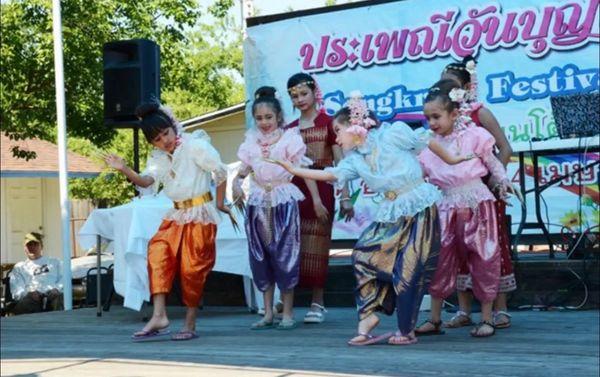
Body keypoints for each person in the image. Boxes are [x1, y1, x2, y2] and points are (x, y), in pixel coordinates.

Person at [266, 91, 469, 345]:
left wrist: (452, 159)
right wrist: (292, 168)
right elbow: (330, 175)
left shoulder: (391, 134)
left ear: (354, 127)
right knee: (363, 254)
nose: (337, 138)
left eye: (338, 131)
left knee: (408, 270)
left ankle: (406, 331)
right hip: (392, 211)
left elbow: (426, 139)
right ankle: (369, 315)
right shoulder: (356, 161)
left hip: (418, 207)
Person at [104, 102, 230, 341]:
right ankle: (159, 316)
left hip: (200, 213)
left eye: (166, 133)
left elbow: (220, 171)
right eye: (158, 139)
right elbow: (146, 182)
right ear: (152, 143)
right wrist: (124, 169)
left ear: (174, 128)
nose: (165, 140)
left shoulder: (195, 146)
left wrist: (221, 203)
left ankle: (190, 324)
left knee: (192, 269)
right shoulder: (159, 157)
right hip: (177, 214)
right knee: (157, 252)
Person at [416, 79, 514, 338]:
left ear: (454, 113)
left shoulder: (475, 136)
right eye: (428, 118)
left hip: (477, 202)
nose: (432, 123)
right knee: (440, 259)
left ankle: (486, 318)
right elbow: (419, 175)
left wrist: (502, 181)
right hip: (446, 203)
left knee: (483, 256)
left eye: (436, 116)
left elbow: (492, 162)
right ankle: (434, 319)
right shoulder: (429, 146)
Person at [442, 56, 516, 329]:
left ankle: (500, 309)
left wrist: (496, 180)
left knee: (490, 249)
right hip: (458, 194)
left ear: (466, 87)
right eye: (442, 83)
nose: (446, 89)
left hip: (485, 192)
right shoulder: (444, 117)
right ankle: (464, 311)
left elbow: (505, 148)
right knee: (461, 247)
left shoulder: (479, 113)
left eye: (451, 84)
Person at [233, 86, 309, 330]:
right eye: (259, 118)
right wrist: (236, 182)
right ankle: (267, 313)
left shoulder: (290, 139)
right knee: (260, 255)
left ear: (278, 117)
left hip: (283, 201)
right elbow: (243, 170)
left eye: (268, 117)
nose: (264, 122)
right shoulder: (250, 142)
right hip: (258, 203)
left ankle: (287, 313)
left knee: (285, 255)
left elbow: (302, 170)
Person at [286, 73, 353, 324]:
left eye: (304, 93)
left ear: (315, 92)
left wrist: (345, 197)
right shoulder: (289, 129)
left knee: (318, 245)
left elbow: (340, 163)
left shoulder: (328, 123)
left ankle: (318, 301)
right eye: (294, 96)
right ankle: (288, 299)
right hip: (294, 190)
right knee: (292, 245)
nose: (300, 99)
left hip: (322, 190)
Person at [9, 232, 64, 314]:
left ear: (41, 246)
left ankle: (56, 324)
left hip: (53, 295)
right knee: (27, 304)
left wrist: (57, 289)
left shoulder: (55, 262)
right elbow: (16, 291)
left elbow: (65, 278)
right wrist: (28, 294)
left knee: (60, 298)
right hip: (31, 300)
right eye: (29, 245)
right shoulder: (19, 267)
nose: (32, 247)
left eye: (35, 244)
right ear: (24, 248)